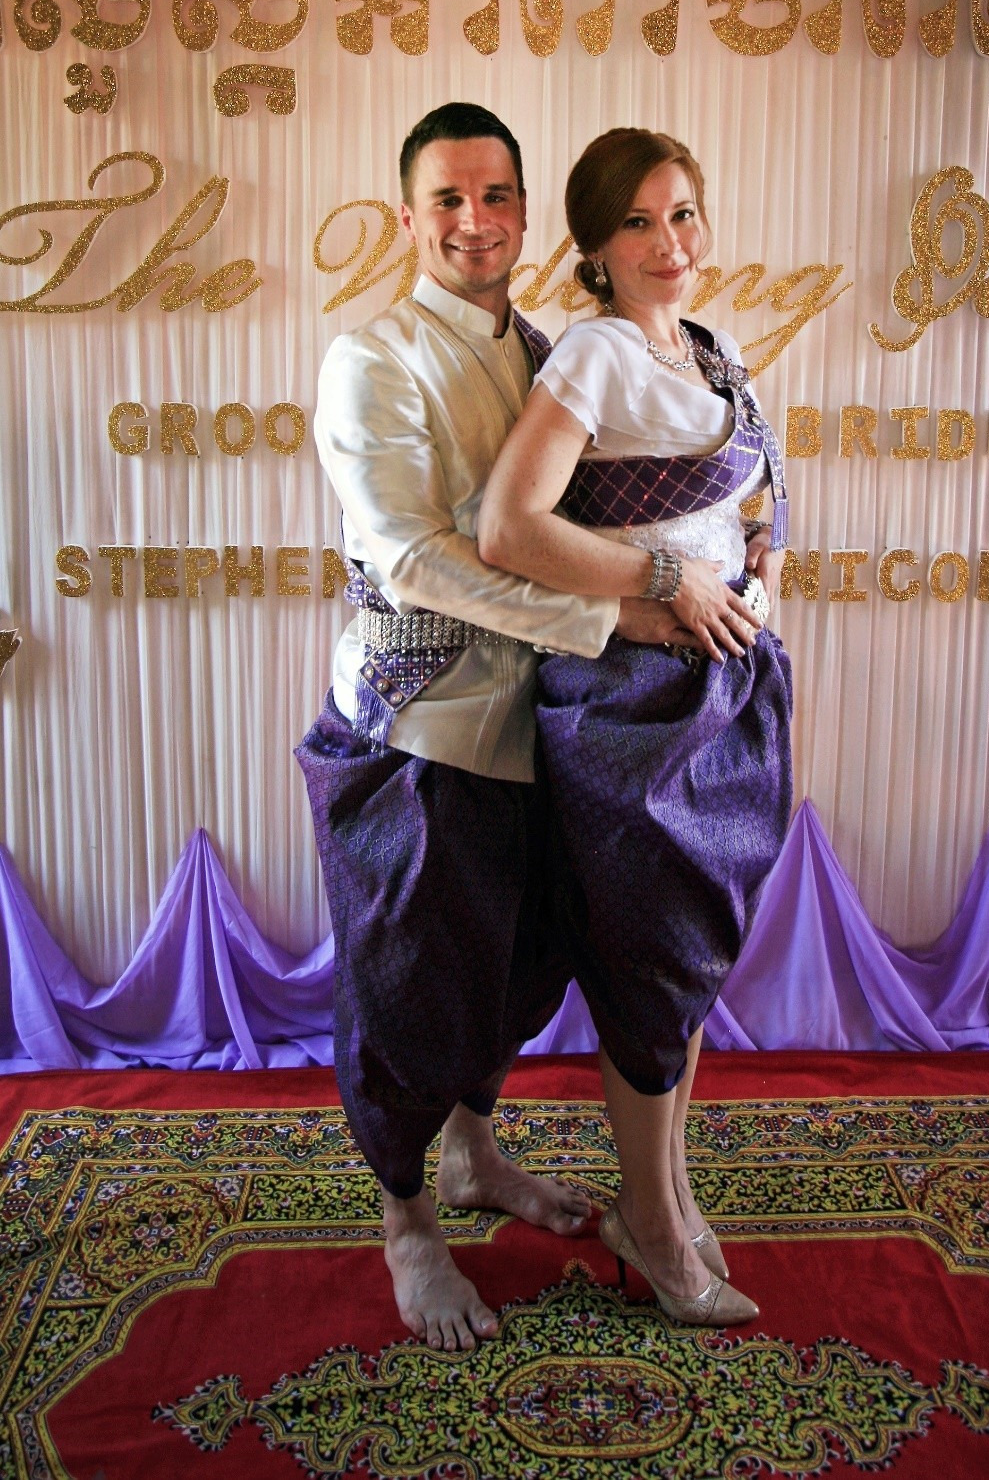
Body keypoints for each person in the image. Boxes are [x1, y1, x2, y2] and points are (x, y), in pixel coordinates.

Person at [295, 102, 689, 1353]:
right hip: (422, 726)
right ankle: (410, 1220)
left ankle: (472, 1156)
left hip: (551, 723)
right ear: (407, 217)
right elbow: (413, 557)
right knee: (412, 978)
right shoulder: (375, 357)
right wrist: (617, 615)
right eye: (450, 200)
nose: (477, 221)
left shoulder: (558, 348)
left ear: (529, 212)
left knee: (513, 967)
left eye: (499, 196)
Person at [478, 126, 794, 1327]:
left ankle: (660, 1187)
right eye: (640, 224)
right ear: (596, 250)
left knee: (690, 960)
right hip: (630, 704)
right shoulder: (600, 355)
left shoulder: (712, 350)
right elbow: (512, 527)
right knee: (651, 961)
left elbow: (741, 500)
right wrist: (666, 583)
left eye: (685, 215)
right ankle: (651, 1223)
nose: (673, 244)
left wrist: (759, 560)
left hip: (724, 687)